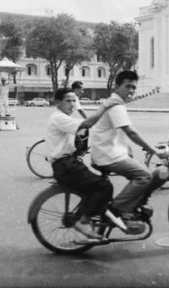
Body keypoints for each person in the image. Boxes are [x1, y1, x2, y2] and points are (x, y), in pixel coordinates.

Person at [45, 88, 121, 241]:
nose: (72, 104)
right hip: (66, 166)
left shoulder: (62, 117)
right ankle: (83, 221)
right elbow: (87, 123)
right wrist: (104, 107)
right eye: (68, 101)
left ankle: (88, 215)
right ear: (57, 102)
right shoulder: (60, 118)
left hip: (68, 164)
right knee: (104, 186)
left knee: (95, 186)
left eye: (74, 101)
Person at [89, 70, 167, 221]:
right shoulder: (116, 105)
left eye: (133, 87)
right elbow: (130, 132)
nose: (131, 90)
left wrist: (128, 150)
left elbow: (120, 133)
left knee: (141, 171)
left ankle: (130, 205)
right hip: (107, 155)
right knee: (144, 176)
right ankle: (117, 209)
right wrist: (155, 151)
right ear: (117, 86)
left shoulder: (117, 102)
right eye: (128, 86)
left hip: (109, 151)